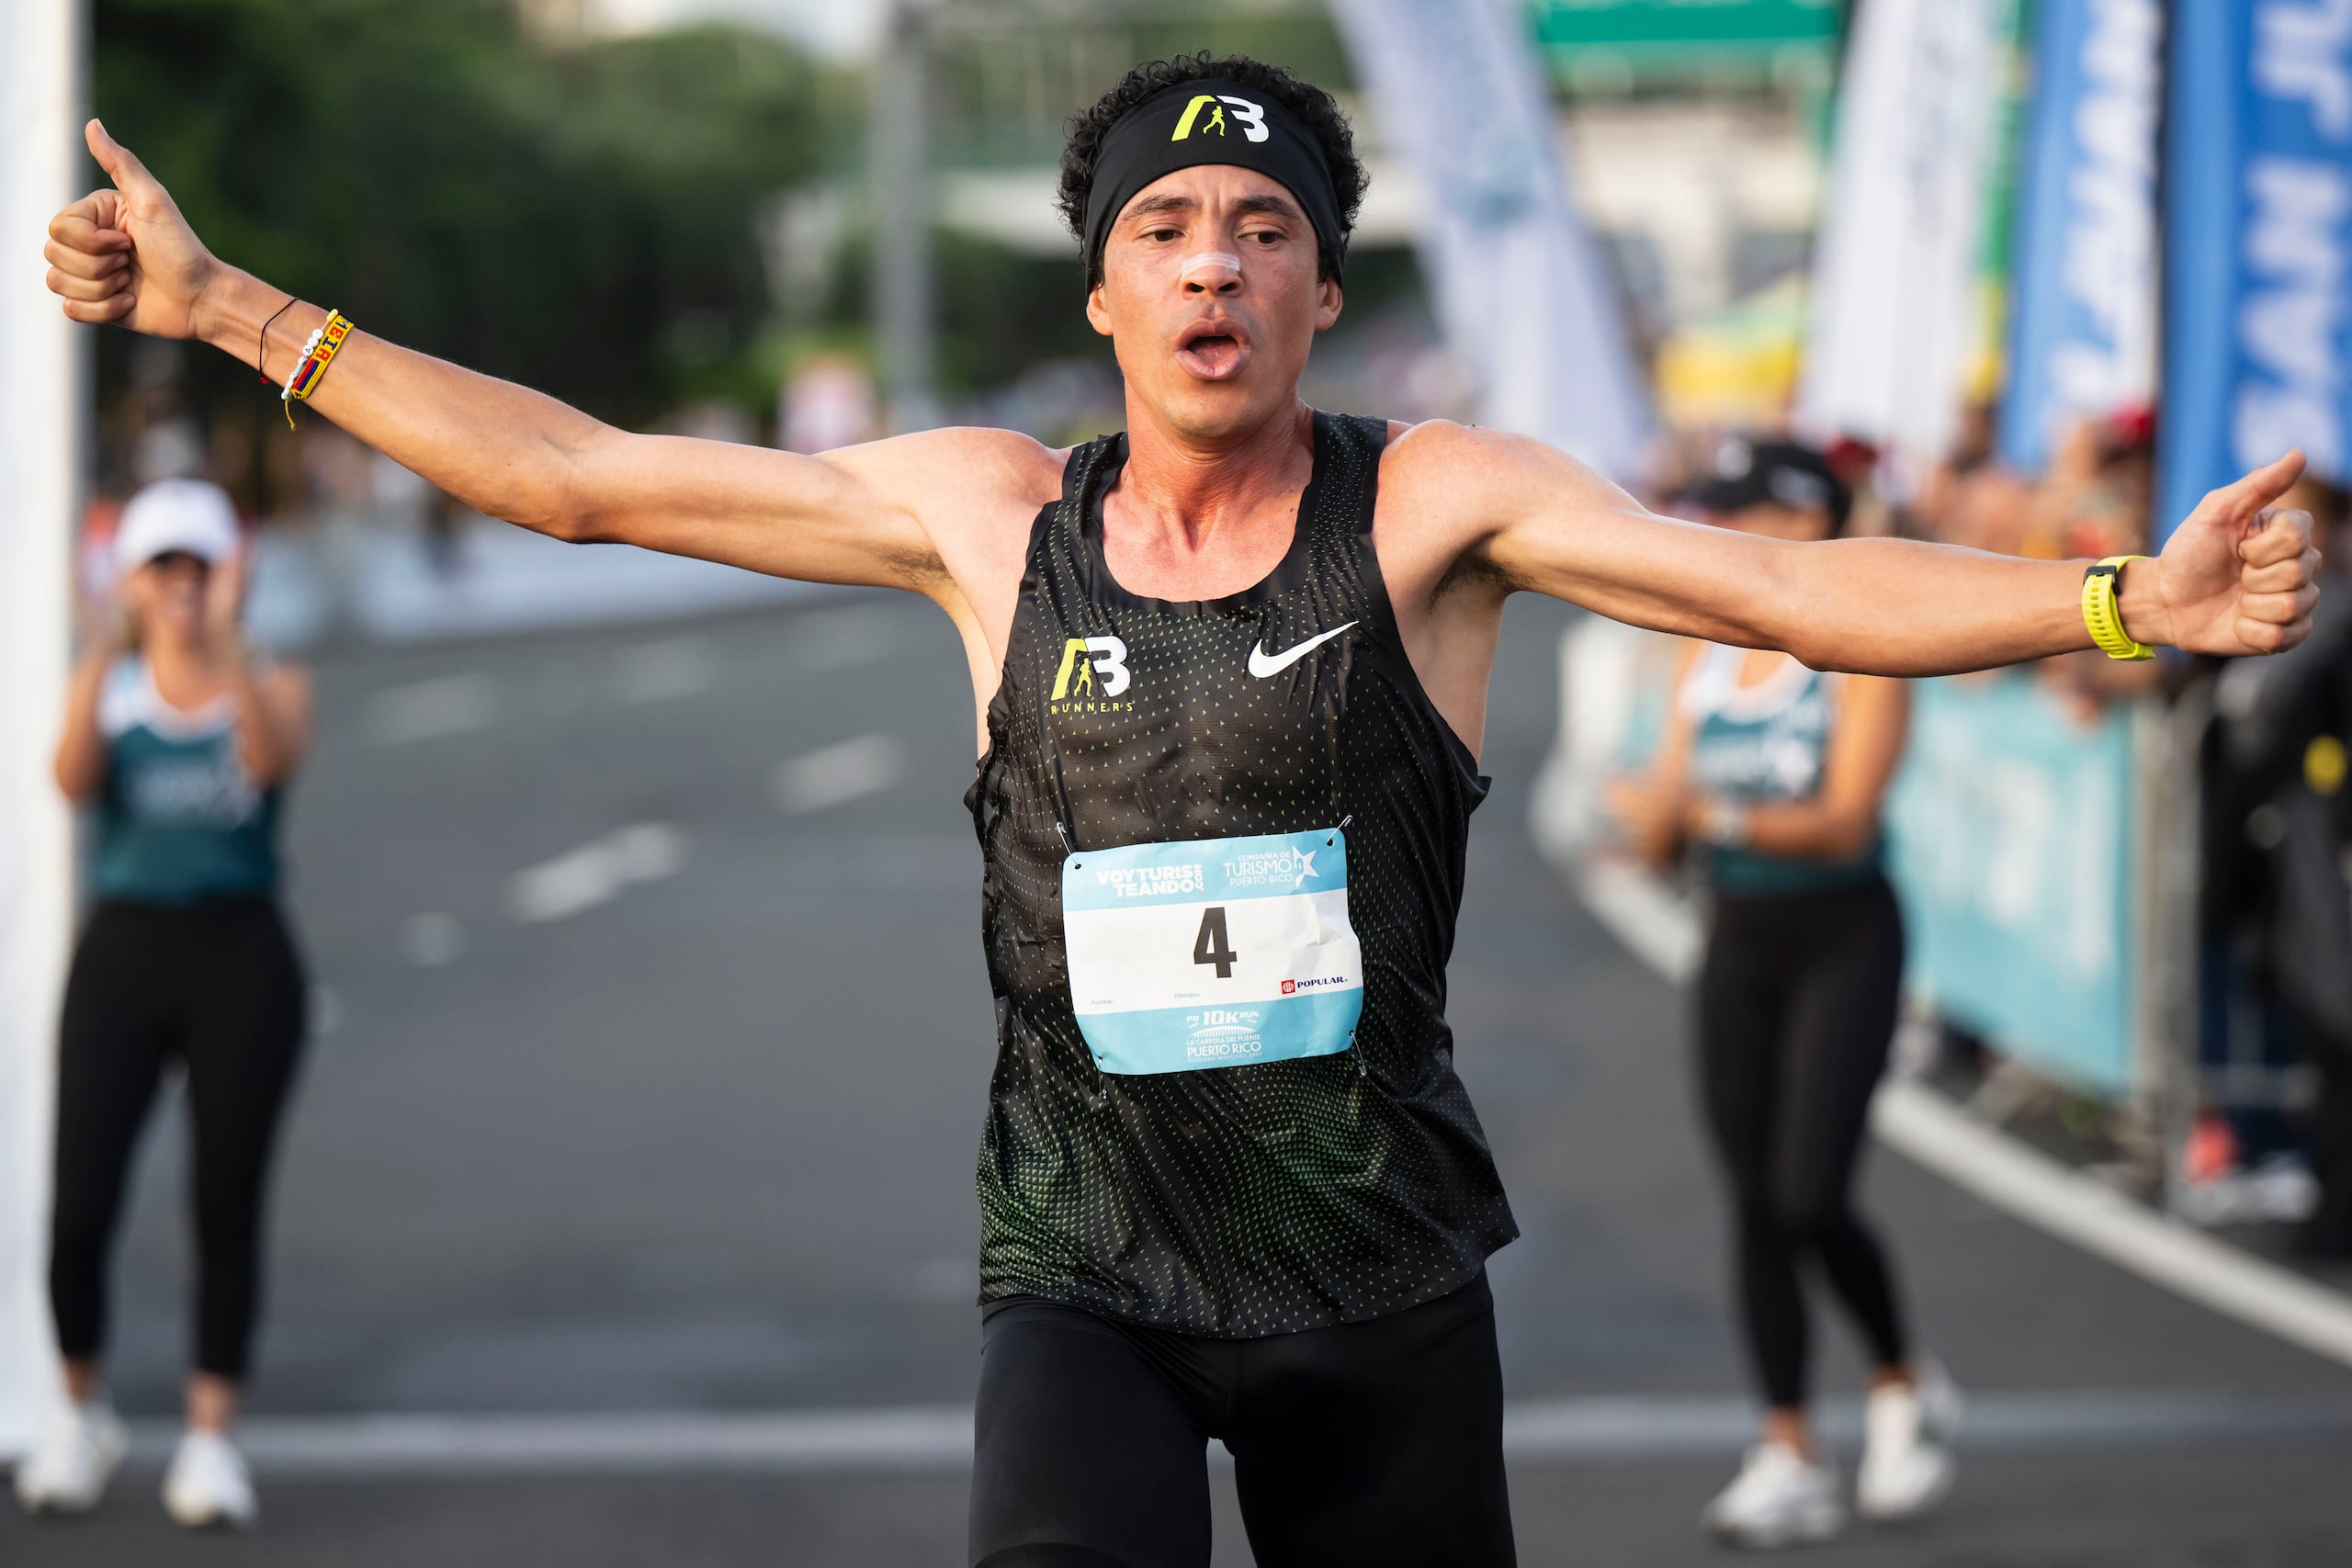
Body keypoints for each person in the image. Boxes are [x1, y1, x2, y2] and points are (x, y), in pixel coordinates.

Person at [41, 52, 2319, 1566]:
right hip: (1087, 1276)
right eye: (1166, 226)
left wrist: (2114, 594)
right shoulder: (978, 516)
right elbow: (581, 480)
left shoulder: (1432, 505)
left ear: (1325, 282)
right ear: (1106, 281)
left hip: (1379, 1281)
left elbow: (1781, 584)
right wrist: (233, 309)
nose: (1211, 261)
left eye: (1257, 223)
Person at [1609, 439, 1953, 1549]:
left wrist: (1700, 818)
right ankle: (1787, 1446)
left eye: (1741, 509)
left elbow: (1845, 816)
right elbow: (1666, 816)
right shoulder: (1702, 648)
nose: (1720, 532)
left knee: (1810, 1191)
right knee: (1752, 1197)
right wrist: (1652, 833)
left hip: (1845, 933)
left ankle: (1904, 1381)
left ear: (1804, 519)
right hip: (1737, 938)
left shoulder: (1858, 646)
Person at [15, 479, 311, 1529]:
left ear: (227, 575)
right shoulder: (109, 686)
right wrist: (98, 645)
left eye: (198, 567)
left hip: (240, 955)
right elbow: (69, 780)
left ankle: (210, 1438)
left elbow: (274, 761)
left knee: (224, 1206)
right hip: (126, 952)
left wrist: (230, 642)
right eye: (163, 570)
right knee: (80, 1204)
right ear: (133, 583)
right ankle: (79, 1410)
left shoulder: (267, 680)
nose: (182, 589)